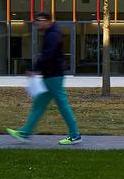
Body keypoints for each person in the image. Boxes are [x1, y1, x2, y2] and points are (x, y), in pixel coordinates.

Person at [7, 12, 81, 145]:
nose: (38, 23)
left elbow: (48, 54)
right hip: (50, 75)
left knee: (62, 105)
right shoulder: (51, 33)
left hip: (54, 75)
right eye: (36, 21)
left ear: (48, 21)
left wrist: (34, 68)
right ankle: (24, 133)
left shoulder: (53, 34)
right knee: (39, 105)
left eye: (40, 20)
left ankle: (74, 135)